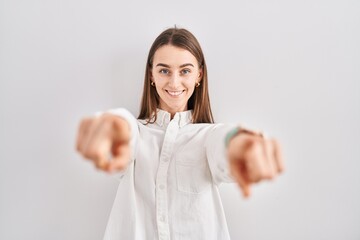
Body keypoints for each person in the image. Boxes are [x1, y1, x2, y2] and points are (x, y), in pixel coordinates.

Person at [76, 27, 284, 240]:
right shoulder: (137, 134)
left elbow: (221, 142)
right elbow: (125, 132)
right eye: (164, 70)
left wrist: (238, 143)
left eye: (185, 71)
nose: (174, 83)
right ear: (152, 75)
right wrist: (115, 126)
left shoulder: (207, 137)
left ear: (199, 75)